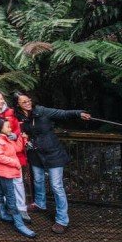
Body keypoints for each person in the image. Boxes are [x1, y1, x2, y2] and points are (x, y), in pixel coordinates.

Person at [14, 92, 91, 234]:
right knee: (38, 180)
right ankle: (40, 203)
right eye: (24, 102)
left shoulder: (42, 111)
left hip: (53, 152)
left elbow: (62, 113)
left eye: (29, 100)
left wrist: (79, 113)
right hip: (35, 153)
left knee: (56, 186)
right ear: (18, 104)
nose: (28, 103)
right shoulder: (18, 117)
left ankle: (62, 220)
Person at [0, 90, 30, 223]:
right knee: (3, 183)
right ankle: (6, 208)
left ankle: (21, 208)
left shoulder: (10, 112)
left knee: (18, 181)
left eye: (2, 98)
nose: (1, 101)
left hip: (14, 150)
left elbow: (16, 127)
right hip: (0, 152)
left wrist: (16, 134)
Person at [0, 118, 35, 238]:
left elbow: (16, 149)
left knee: (0, 191)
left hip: (5, 171)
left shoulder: (6, 138)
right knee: (11, 197)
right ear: (0, 129)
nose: (10, 128)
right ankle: (19, 223)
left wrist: (21, 138)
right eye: (7, 127)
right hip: (6, 172)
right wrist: (15, 163)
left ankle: (1, 213)